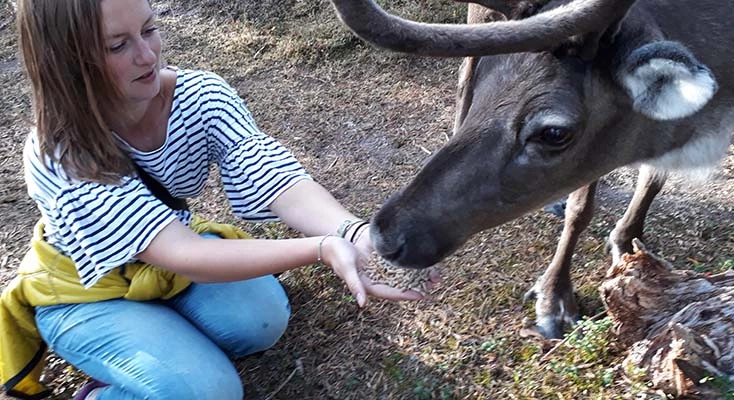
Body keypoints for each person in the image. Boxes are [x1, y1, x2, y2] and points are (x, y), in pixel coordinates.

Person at [0, 0, 436, 399]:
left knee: (261, 321)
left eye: (149, 30)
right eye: (118, 46)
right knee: (208, 392)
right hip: (86, 292)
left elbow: (274, 176)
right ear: (67, 64)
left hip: (164, 267)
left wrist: (353, 231)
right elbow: (182, 253)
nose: (147, 55)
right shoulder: (58, 151)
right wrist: (321, 249)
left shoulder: (200, 96)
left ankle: (157, 352)